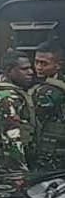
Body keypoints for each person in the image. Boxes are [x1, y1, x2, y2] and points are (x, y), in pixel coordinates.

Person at [31, 41, 65, 169]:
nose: (38, 67)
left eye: (44, 63)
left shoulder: (49, 91)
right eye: (36, 62)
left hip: (50, 151)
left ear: (58, 65)